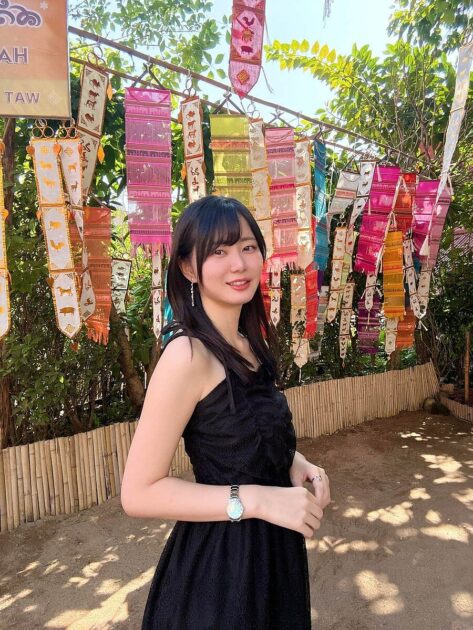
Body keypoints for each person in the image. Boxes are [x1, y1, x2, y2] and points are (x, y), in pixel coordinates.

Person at [121, 195, 331, 629]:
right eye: (219, 251)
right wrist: (257, 499)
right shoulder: (186, 356)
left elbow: (244, 437)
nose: (238, 263)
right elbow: (138, 493)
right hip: (220, 575)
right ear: (188, 267)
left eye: (247, 247)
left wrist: (295, 463)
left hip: (274, 559)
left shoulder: (249, 343)